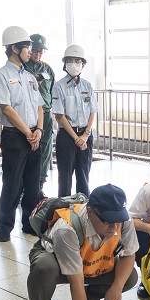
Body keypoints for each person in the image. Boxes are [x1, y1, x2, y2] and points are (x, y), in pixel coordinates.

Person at [27, 184, 139, 300]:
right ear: (90, 211)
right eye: (108, 221)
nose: (115, 227)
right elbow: (76, 282)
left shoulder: (123, 221)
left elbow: (129, 255)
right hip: (56, 259)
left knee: (129, 277)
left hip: (90, 262)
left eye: (118, 220)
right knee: (44, 268)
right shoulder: (68, 229)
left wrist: (117, 287)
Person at [0, 26, 44, 242]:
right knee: (12, 185)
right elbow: (6, 108)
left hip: (34, 135)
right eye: (27, 47)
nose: (31, 51)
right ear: (15, 48)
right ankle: (5, 228)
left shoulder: (30, 77)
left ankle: (29, 224)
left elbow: (40, 106)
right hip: (15, 136)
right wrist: (27, 132)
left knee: (33, 184)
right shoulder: (0, 76)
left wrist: (38, 130)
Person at [52, 44, 98, 197]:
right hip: (67, 136)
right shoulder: (59, 86)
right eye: (70, 60)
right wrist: (76, 138)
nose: (74, 64)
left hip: (85, 135)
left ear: (83, 64)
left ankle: (84, 211)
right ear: (64, 64)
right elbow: (59, 115)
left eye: (77, 61)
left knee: (83, 175)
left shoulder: (87, 85)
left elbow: (93, 111)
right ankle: (63, 213)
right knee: (65, 179)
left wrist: (85, 135)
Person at [23, 34, 56, 198]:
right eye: (34, 50)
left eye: (41, 51)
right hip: (29, 117)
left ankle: (39, 186)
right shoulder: (22, 67)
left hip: (47, 115)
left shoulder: (48, 69)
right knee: (28, 151)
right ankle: (25, 188)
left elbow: (51, 93)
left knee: (45, 151)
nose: (37, 54)